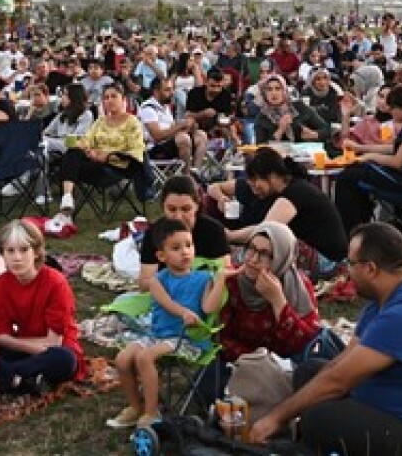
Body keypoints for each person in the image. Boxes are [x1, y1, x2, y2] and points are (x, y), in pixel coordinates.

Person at [249, 223, 402, 456]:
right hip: (389, 408)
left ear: (371, 269)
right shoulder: (384, 300)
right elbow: (340, 364)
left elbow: (339, 381)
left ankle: (306, 443)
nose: (346, 271)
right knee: (310, 372)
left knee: (318, 419)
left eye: (350, 264)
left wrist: (275, 417)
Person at [108, 218, 227, 430]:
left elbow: (209, 308)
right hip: (158, 334)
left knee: (144, 357)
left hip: (188, 339)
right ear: (161, 256)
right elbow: (167, 303)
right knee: (122, 359)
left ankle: (152, 412)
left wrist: (220, 281)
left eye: (189, 245)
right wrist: (184, 312)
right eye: (176, 248)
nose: (185, 252)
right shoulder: (157, 281)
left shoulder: (204, 278)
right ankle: (136, 408)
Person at [209, 148, 347, 270]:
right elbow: (214, 187)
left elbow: (265, 230)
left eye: (256, 182)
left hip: (327, 260)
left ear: (270, 176)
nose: (255, 189)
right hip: (317, 253)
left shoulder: (295, 192)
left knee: (264, 248)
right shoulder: (278, 191)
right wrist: (221, 198)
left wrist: (229, 236)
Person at [0, 220, 84, 395]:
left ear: (36, 252)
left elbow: (53, 342)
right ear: (2, 254)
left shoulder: (55, 282)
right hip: (26, 345)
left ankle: (10, 377)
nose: (17, 257)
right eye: (10, 251)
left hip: (56, 349)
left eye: (24, 250)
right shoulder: (2, 282)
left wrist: (15, 343)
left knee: (64, 359)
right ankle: (26, 379)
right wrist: (17, 344)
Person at [335, 85, 402, 233]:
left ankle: (350, 229)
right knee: (357, 172)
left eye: (393, 107)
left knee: (347, 176)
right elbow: (393, 149)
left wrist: (368, 157)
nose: (391, 111)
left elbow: (397, 161)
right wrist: (360, 149)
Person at [218, 223, 323, 362]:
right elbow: (221, 337)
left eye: (265, 254)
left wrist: (278, 301)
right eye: (251, 248)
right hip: (241, 364)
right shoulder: (233, 281)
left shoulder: (298, 286)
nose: (253, 259)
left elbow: (309, 342)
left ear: (282, 257)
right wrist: (257, 361)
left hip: (288, 366)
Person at [51, 83, 148, 230]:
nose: (109, 100)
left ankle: (66, 212)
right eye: (106, 97)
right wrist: (88, 150)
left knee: (70, 161)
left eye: (113, 96)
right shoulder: (100, 122)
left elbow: (136, 152)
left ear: (124, 100)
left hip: (119, 168)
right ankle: (67, 199)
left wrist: (108, 156)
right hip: (96, 165)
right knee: (73, 151)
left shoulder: (133, 123)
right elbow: (86, 141)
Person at [138, 176, 230, 290]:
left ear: (197, 205)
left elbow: (225, 272)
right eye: (172, 209)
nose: (178, 217)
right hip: (166, 294)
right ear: (163, 207)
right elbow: (144, 283)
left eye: (186, 209)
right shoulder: (154, 233)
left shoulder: (213, 230)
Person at [139, 77, 206, 170]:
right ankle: (186, 177)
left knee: (201, 135)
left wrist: (188, 126)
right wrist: (179, 126)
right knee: (183, 139)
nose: (172, 93)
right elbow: (157, 136)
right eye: (167, 90)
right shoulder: (148, 108)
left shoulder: (165, 107)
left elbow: (171, 129)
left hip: (169, 144)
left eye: (172, 89)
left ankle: (196, 172)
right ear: (156, 92)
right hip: (154, 149)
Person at [252, 75, 330, 145]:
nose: (274, 93)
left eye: (278, 88)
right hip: (277, 158)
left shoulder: (299, 107)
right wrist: (280, 130)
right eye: (269, 89)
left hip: (304, 156)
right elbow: (261, 148)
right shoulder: (262, 118)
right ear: (264, 93)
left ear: (284, 91)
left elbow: (326, 129)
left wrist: (314, 134)